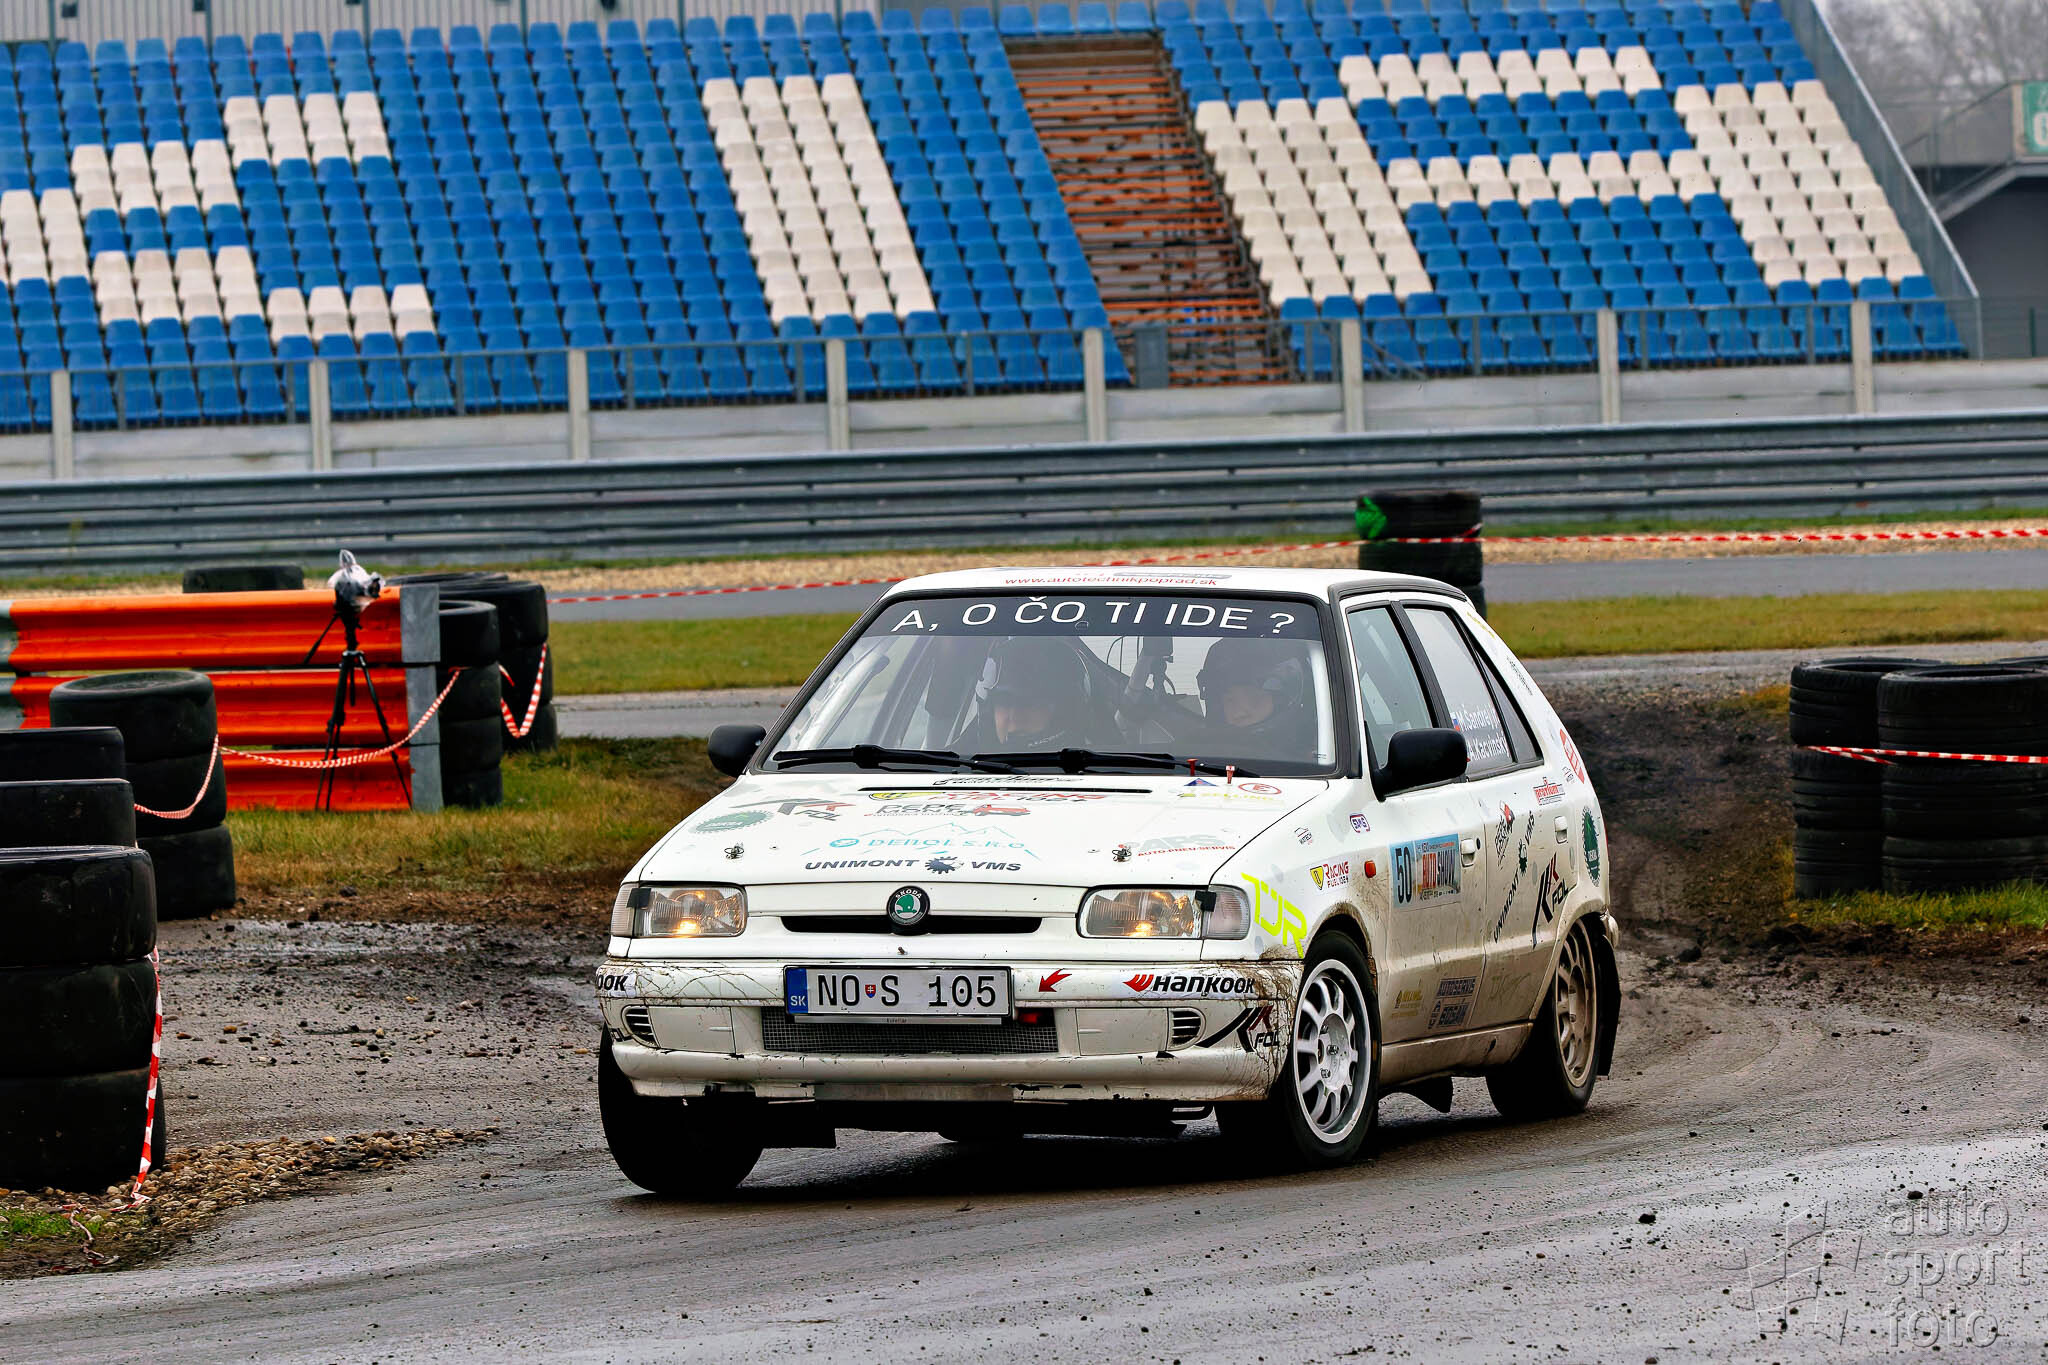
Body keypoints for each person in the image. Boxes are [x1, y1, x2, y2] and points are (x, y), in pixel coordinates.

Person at [1197, 638, 1315, 758]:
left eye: (1230, 699)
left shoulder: (1317, 750)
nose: (1231, 714)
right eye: (1224, 700)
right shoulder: (1202, 753)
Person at [973, 637, 1097, 750]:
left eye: (1028, 702)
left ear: (1064, 708)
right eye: (1004, 702)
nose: (1015, 716)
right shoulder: (968, 760)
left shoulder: (1100, 764)